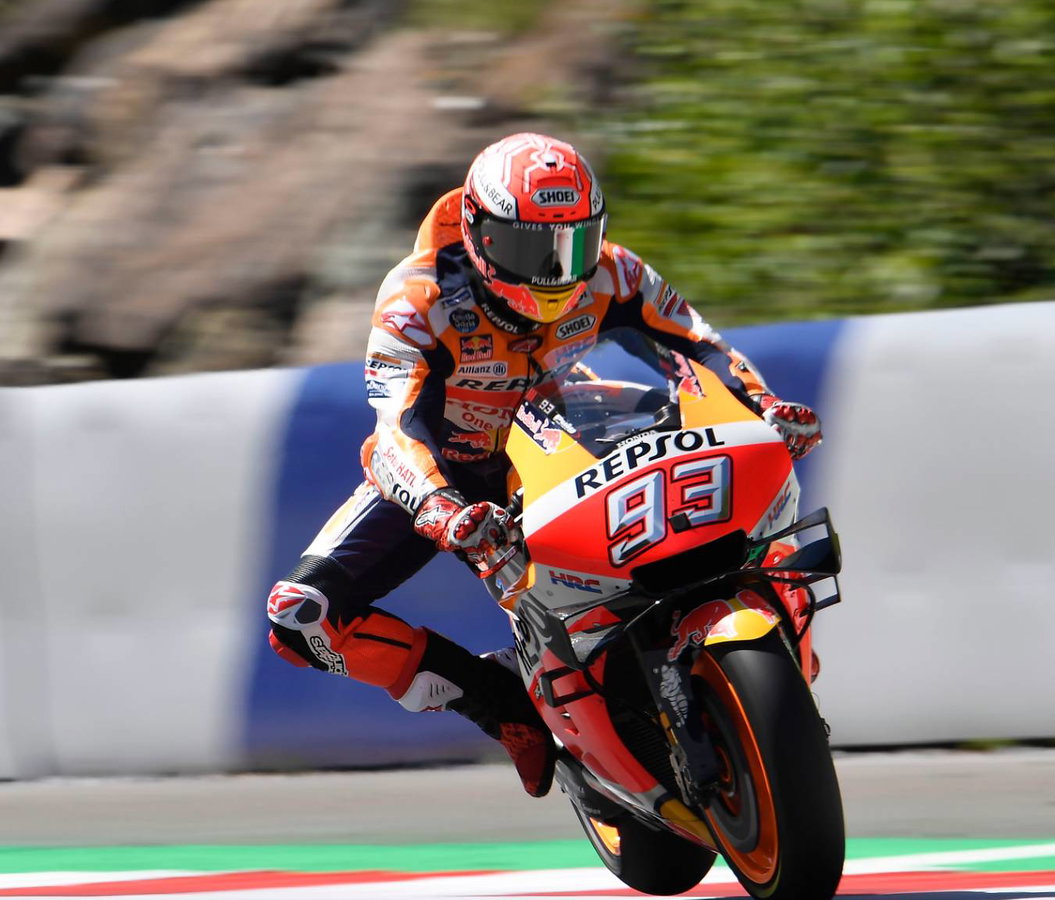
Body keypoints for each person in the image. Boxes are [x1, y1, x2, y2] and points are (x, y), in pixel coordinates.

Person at [263, 133, 822, 798]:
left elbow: (700, 344)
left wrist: (765, 405)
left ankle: (771, 611)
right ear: (480, 235)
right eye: (532, 249)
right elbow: (394, 430)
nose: (556, 271)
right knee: (300, 617)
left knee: (740, 489)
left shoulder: (614, 271)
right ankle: (494, 696)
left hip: (575, 431)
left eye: (573, 245)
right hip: (452, 477)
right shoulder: (418, 299)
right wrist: (439, 505)